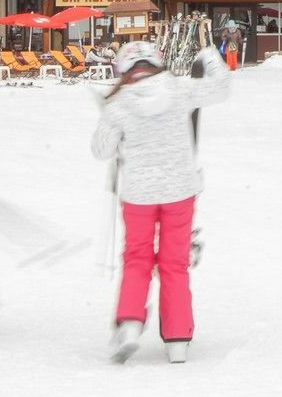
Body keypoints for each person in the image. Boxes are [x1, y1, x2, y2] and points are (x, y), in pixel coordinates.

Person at [94, 39, 231, 365]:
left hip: (139, 195)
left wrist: (110, 124)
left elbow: (101, 150)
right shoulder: (179, 89)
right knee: (174, 264)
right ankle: (177, 339)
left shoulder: (121, 103)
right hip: (179, 192)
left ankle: (129, 324)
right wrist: (209, 54)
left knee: (137, 259)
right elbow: (221, 89)